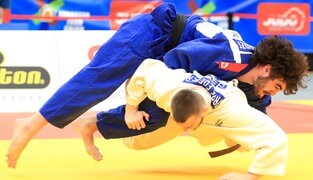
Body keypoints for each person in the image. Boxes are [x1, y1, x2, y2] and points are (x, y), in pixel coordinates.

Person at [6, 2, 308, 168]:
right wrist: (131, 107)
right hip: (153, 33)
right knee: (99, 80)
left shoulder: (250, 81)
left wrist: (247, 140)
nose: (273, 92)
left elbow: (259, 114)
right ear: (266, 68)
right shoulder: (230, 56)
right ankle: (30, 125)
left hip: (167, 58)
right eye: (277, 85)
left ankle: (92, 124)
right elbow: (160, 68)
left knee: (164, 114)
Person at [74, 59, 290, 180]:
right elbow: (145, 67)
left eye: (188, 125)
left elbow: (276, 138)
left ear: (202, 111)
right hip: (187, 103)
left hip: (221, 116)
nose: (185, 129)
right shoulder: (168, 86)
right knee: (137, 141)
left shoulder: (234, 109)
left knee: (241, 144)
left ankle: (231, 139)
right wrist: (131, 109)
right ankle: (91, 123)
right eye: (184, 125)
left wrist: (250, 177)